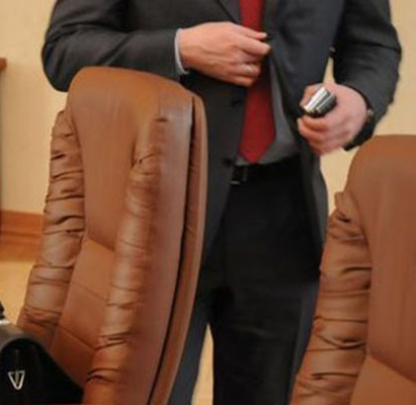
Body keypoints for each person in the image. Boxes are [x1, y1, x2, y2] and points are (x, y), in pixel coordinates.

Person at [40, 1, 401, 404]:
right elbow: (65, 50)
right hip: (153, 215)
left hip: (284, 219)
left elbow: (373, 46)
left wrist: (359, 100)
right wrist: (180, 48)